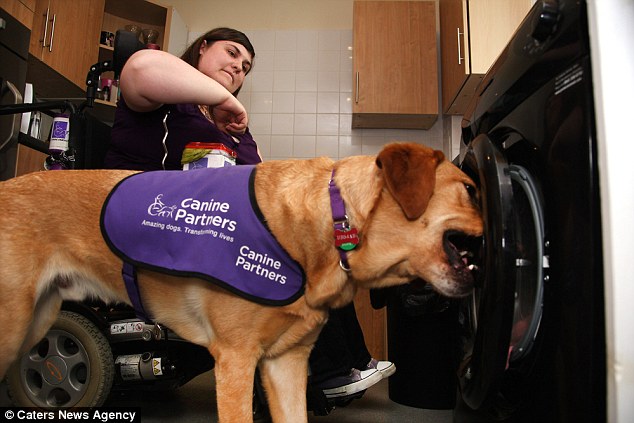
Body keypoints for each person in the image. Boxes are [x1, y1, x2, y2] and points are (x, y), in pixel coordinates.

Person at [104, 27, 394, 401]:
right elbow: (140, 68)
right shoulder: (168, 99)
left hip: (204, 230)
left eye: (245, 67)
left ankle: (347, 364)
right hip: (148, 225)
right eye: (231, 53)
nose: (238, 68)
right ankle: (330, 372)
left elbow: (259, 184)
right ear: (202, 47)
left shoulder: (230, 124)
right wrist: (227, 99)